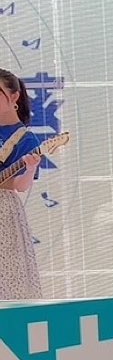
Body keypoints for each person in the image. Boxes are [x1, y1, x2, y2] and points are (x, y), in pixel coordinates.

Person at [0, 69, 42, 300]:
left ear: (14, 96)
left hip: (3, 212)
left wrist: (31, 167)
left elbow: (21, 185)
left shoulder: (25, 138)